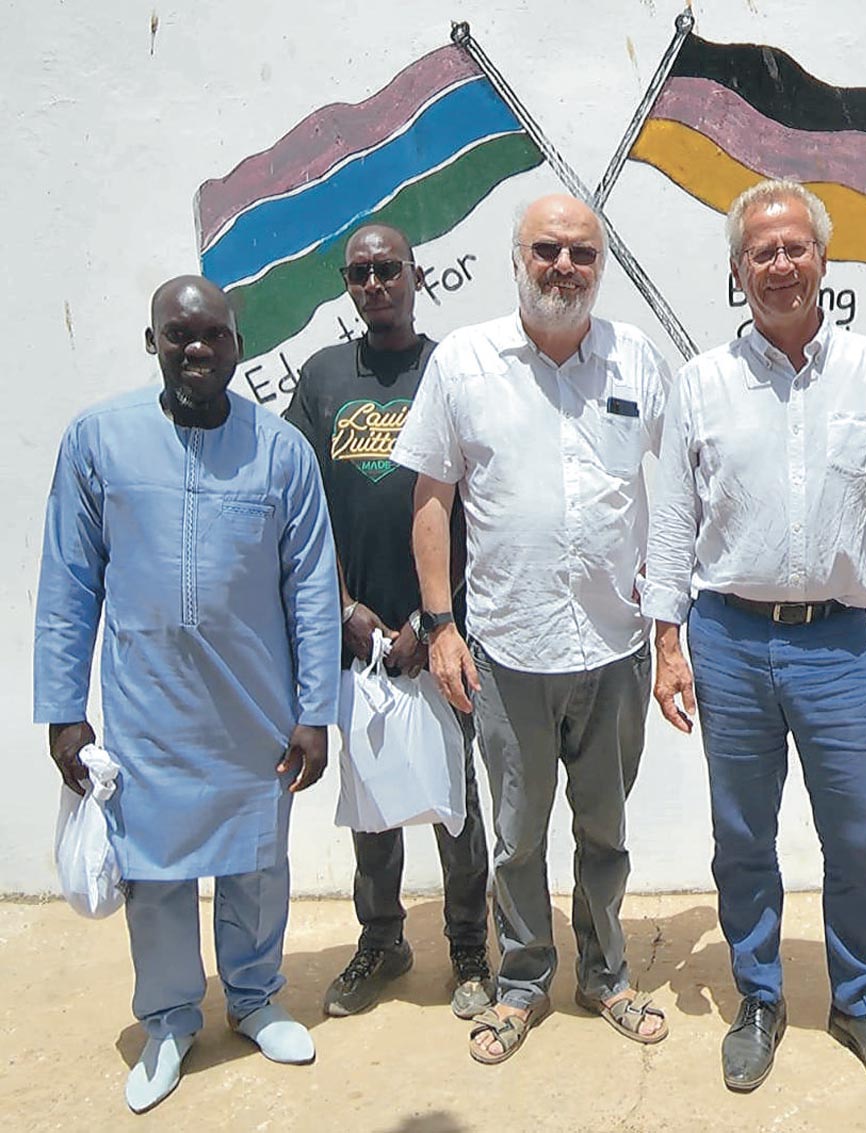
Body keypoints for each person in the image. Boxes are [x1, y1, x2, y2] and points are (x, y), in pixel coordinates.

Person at [644, 179, 866, 1099]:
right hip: (728, 637)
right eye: (760, 253)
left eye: (794, 248)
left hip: (840, 642)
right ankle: (760, 997)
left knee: (858, 833)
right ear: (739, 273)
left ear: (822, 258)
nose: (779, 264)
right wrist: (666, 642)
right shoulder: (702, 382)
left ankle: (859, 1000)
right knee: (742, 834)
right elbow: (672, 518)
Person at [33, 276, 341, 1113]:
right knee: (155, 873)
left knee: (256, 861)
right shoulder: (98, 441)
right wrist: (65, 710)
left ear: (240, 345)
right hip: (148, 711)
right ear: (153, 342)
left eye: (212, 335)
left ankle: (253, 996)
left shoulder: (282, 453)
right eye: (178, 334)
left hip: (255, 710)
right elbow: (68, 581)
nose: (195, 349)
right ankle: (170, 1016)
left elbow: (313, 589)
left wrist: (316, 712)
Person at [392, 193, 672, 1064]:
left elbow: (688, 490)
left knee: (606, 828)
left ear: (600, 264)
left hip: (615, 648)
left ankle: (604, 971)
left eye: (582, 254)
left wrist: (670, 632)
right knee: (517, 833)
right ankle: (522, 981)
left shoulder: (636, 358)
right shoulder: (465, 363)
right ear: (517, 258)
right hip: (509, 649)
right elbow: (431, 500)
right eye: (547, 249)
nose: (564, 266)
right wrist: (441, 626)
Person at [284, 223, 493, 1021]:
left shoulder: (452, 368)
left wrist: (429, 618)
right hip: (356, 635)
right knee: (371, 794)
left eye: (389, 270)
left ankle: (469, 944)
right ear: (348, 283)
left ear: (416, 274)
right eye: (361, 273)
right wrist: (342, 609)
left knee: (453, 798)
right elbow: (303, 506)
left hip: (442, 631)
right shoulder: (323, 376)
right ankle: (382, 938)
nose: (376, 284)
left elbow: (479, 505)